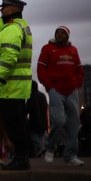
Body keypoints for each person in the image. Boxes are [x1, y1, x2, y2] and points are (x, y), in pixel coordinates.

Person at [0, 0, 33, 170]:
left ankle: (21, 158)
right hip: (14, 86)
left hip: (11, 85)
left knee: (14, 122)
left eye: (3, 8)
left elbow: (8, 56)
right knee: (15, 121)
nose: (1, 11)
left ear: (11, 9)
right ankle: (22, 157)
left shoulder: (12, 29)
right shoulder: (13, 28)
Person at [37, 25, 84, 166]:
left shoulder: (73, 50)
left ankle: (70, 156)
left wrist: (77, 84)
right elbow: (41, 68)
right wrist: (49, 85)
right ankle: (50, 148)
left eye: (62, 33)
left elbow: (79, 70)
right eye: (57, 32)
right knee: (58, 121)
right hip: (55, 89)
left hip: (72, 91)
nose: (59, 35)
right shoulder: (47, 48)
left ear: (67, 35)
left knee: (74, 123)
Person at [25, 81, 49, 158]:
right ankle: (39, 151)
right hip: (43, 120)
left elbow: (28, 108)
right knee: (40, 137)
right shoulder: (43, 96)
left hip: (35, 120)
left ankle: (40, 147)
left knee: (33, 135)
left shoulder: (31, 96)